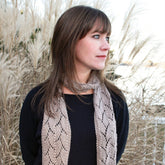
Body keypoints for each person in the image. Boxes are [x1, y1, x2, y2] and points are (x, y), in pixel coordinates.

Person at [19, 5, 129, 165]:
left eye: (107, 38)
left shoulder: (115, 100)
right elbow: (30, 156)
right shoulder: (37, 99)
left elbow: (115, 154)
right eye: (97, 36)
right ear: (69, 39)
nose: (106, 46)